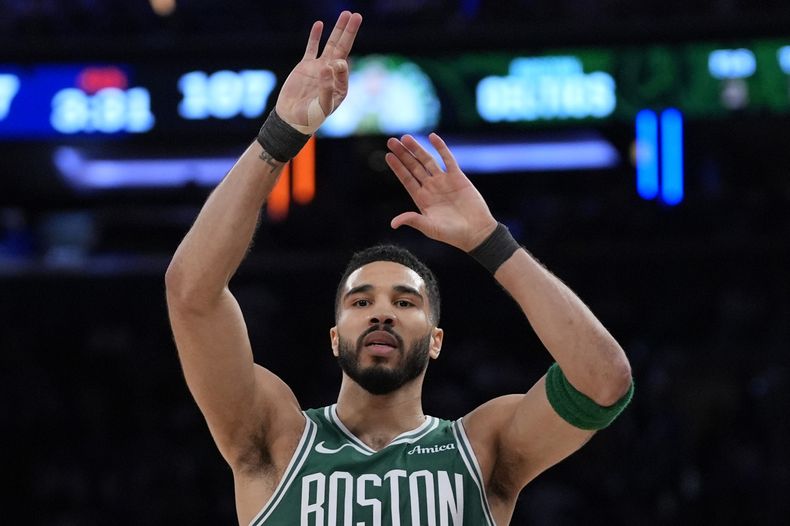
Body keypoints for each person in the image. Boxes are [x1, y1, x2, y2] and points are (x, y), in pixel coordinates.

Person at [165, 11, 633, 526]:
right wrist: (280, 136)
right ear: (335, 337)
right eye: (360, 301)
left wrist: (489, 242)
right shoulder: (274, 440)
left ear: (435, 339)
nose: (381, 313)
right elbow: (191, 293)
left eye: (404, 302)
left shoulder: (482, 449)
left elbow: (602, 381)